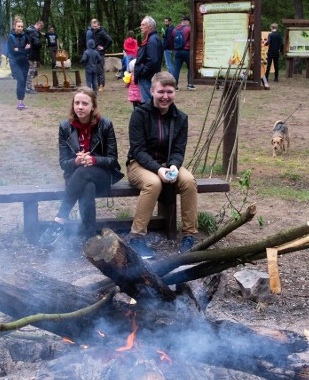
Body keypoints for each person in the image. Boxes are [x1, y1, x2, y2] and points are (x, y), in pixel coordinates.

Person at [38, 87, 123, 247]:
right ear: (73, 105)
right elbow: (64, 163)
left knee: (86, 174)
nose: (80, 107)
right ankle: (90, 237)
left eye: (85, 103)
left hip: (102, 175)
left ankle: (59, 220)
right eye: (77, 103)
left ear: (93, 106)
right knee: (87, 185)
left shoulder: (105, 125)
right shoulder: (65, 127)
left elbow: (112, 160)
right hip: (75, 177)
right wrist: (76, 162)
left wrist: (93, 160)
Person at [126, 71, 198, 256]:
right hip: (139, 164)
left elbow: (178, 149)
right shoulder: (139, 115)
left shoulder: (181, 118)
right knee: (154, 183)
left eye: (169, 91)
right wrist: (158, 169)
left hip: (168, 163)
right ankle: (136, 238)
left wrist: (174, 165)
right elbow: (138, 150)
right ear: (151, 91)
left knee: (189, 181)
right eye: (161, 92)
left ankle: (189, 236)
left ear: (174, 92)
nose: (165, 96)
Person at [134, 16, 163, 104]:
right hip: (149, 76)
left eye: (143, 25)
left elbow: (152, 60)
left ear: (150, 26)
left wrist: (142, 72)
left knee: (148, 103)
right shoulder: (152, 38)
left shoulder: (152, 40)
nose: (141, 27)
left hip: (147, 77)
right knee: (151, 102)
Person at [6, 16, 31, 109]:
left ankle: (21, 102)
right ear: (14, 26)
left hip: (24, 62)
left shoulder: (25, 37)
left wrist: (20, 50)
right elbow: (13, 52)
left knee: (23, 81)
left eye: (21, 27)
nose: (20, 28)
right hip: (14, 62)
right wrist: (24, 49)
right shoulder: (11, 37)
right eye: (18, 26)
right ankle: (20, 101)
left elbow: (29, 50)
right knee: (20, 79)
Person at [85, 18, 113, 91]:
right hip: (94, 53)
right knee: (96, 70)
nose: (94, 28)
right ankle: (97, 84)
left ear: (98, 25)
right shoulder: (93, 32)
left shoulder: (102, 32)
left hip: (100, 54)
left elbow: (110, 40)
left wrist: (104, 47)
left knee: (100, 70)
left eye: (95, 26)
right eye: (93, 26)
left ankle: (102, 85)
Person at [172, 15, 195, 90]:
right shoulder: (188, 29)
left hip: (177, 51)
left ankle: (175, 86)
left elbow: (172, 41)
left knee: (177, 69)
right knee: (190, 67)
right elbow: (193, 39)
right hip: (187, 51)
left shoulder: (174, 30)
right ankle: (190, 84)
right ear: (187, 21)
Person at [25, 20, 44, 95]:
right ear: (39, 25)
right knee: (31, 71)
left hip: (28, 53)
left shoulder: (28, 30)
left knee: (28, 71)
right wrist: (41, 43)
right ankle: (28, 88)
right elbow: (37, 43)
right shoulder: (35, 32)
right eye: (41, 27)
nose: (40, 29)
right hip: (33, 54)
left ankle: (26, 87)